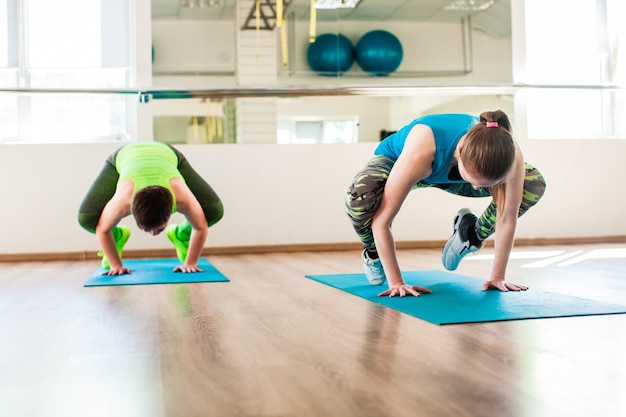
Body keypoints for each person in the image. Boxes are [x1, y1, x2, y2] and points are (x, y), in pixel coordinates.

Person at [344, 110, 546, 298]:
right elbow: (382, 221)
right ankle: (373, 252)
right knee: (361, 196)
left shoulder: (510, 152)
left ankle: (471, 234)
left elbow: (507, 216)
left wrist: (497, 277)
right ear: (460, 150)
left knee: (532, 182)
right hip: (397, 161)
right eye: (473, 179)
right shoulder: (421, 151)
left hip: (451, 171)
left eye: (486, 185)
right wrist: (396, 282)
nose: (476, 189)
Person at [78, 141, 224, 276]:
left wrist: (190, 263)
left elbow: (200, 227)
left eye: (159, 229)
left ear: (172, 210)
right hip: (124, 155)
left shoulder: (182, 198)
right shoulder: (123, 202)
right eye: (146, 229)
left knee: (213, 211)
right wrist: (116, 265)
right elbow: (102, 229)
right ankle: (116, 237)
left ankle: (182, 235)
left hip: (167, 153)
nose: (153, 234)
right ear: (131, 211)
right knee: (87, 218)